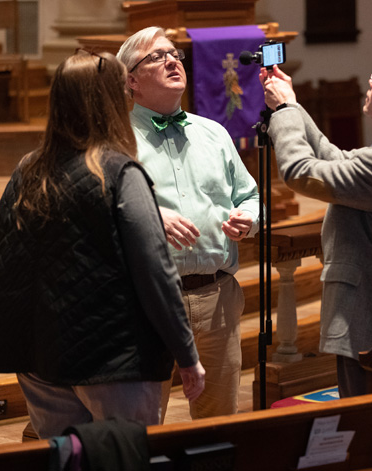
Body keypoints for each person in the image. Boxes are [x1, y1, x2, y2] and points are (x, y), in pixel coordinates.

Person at [0, 49, 205, 439]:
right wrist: (186, 354)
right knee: (121, 462)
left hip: (41, 358)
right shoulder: (119, 172)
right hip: (114, 359)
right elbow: (156, 272)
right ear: (111, 102)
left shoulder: (27, 169)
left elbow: (9, 262)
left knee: (67, 462)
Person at [259, 53, 372, 397]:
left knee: (369, 434)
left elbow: (301, 173)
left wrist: (283, 113)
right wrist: (294, 105)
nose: (370, 82)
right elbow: (338, 161)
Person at [116, 27, 260, 419]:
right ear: (131, 80)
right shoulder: (116, 140)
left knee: (217, 425)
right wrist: (151, 216)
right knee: (143, 422)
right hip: (150, 300)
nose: (172, 60)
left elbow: (250, 194)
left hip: (219, 299)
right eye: (156, 56)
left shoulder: (213, 133)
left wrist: (250, 217)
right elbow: (97, 211)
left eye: (174, 53)